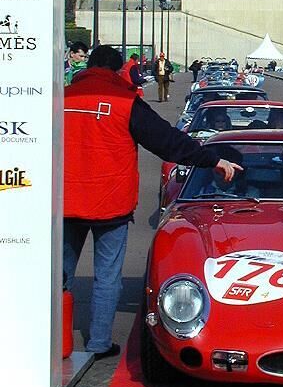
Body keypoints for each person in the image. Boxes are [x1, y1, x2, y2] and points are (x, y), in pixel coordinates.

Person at [63, 46, 242, 359]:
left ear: (88, 67)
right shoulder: (125, 102)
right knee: (107, 277)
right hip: (110, 204)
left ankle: (51, 337)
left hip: (63, 203)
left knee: (59, 276)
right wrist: (211, 159)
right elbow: (168, 142)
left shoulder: (61, 98)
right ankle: (98, 343)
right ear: (120, 71)